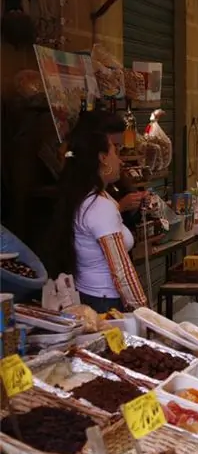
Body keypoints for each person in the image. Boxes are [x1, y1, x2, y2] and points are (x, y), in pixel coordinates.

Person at [48, 111, 149, 313]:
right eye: (116, 151)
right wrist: (144, 313)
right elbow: (121, 271)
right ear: (102, 158)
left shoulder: (88, 196)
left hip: (91, 296)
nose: (120, 160)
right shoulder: (99, 206)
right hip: (106, 302)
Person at [99, 117, 147, 235]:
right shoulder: (90, 195)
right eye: (114, 148)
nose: (120, 158)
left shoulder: (115, 179)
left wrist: (138, 201)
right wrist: (120, 207)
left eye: (119, 147)